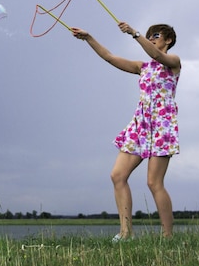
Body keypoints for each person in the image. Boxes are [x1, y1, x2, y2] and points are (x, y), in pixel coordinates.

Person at [71, 22, 181, 241]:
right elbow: (110, 57)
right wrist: (88, 37)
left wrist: (134, 33)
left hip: (161, 126)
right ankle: (125, 233)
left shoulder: (174, 62)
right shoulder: (143, 67)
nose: (151, 38)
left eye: (155, 35)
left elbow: (158, 57)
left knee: (154, 183)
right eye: (149, 35)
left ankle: (168, 237)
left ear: (168, 40)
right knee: (118, 175)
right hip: (139, 126)